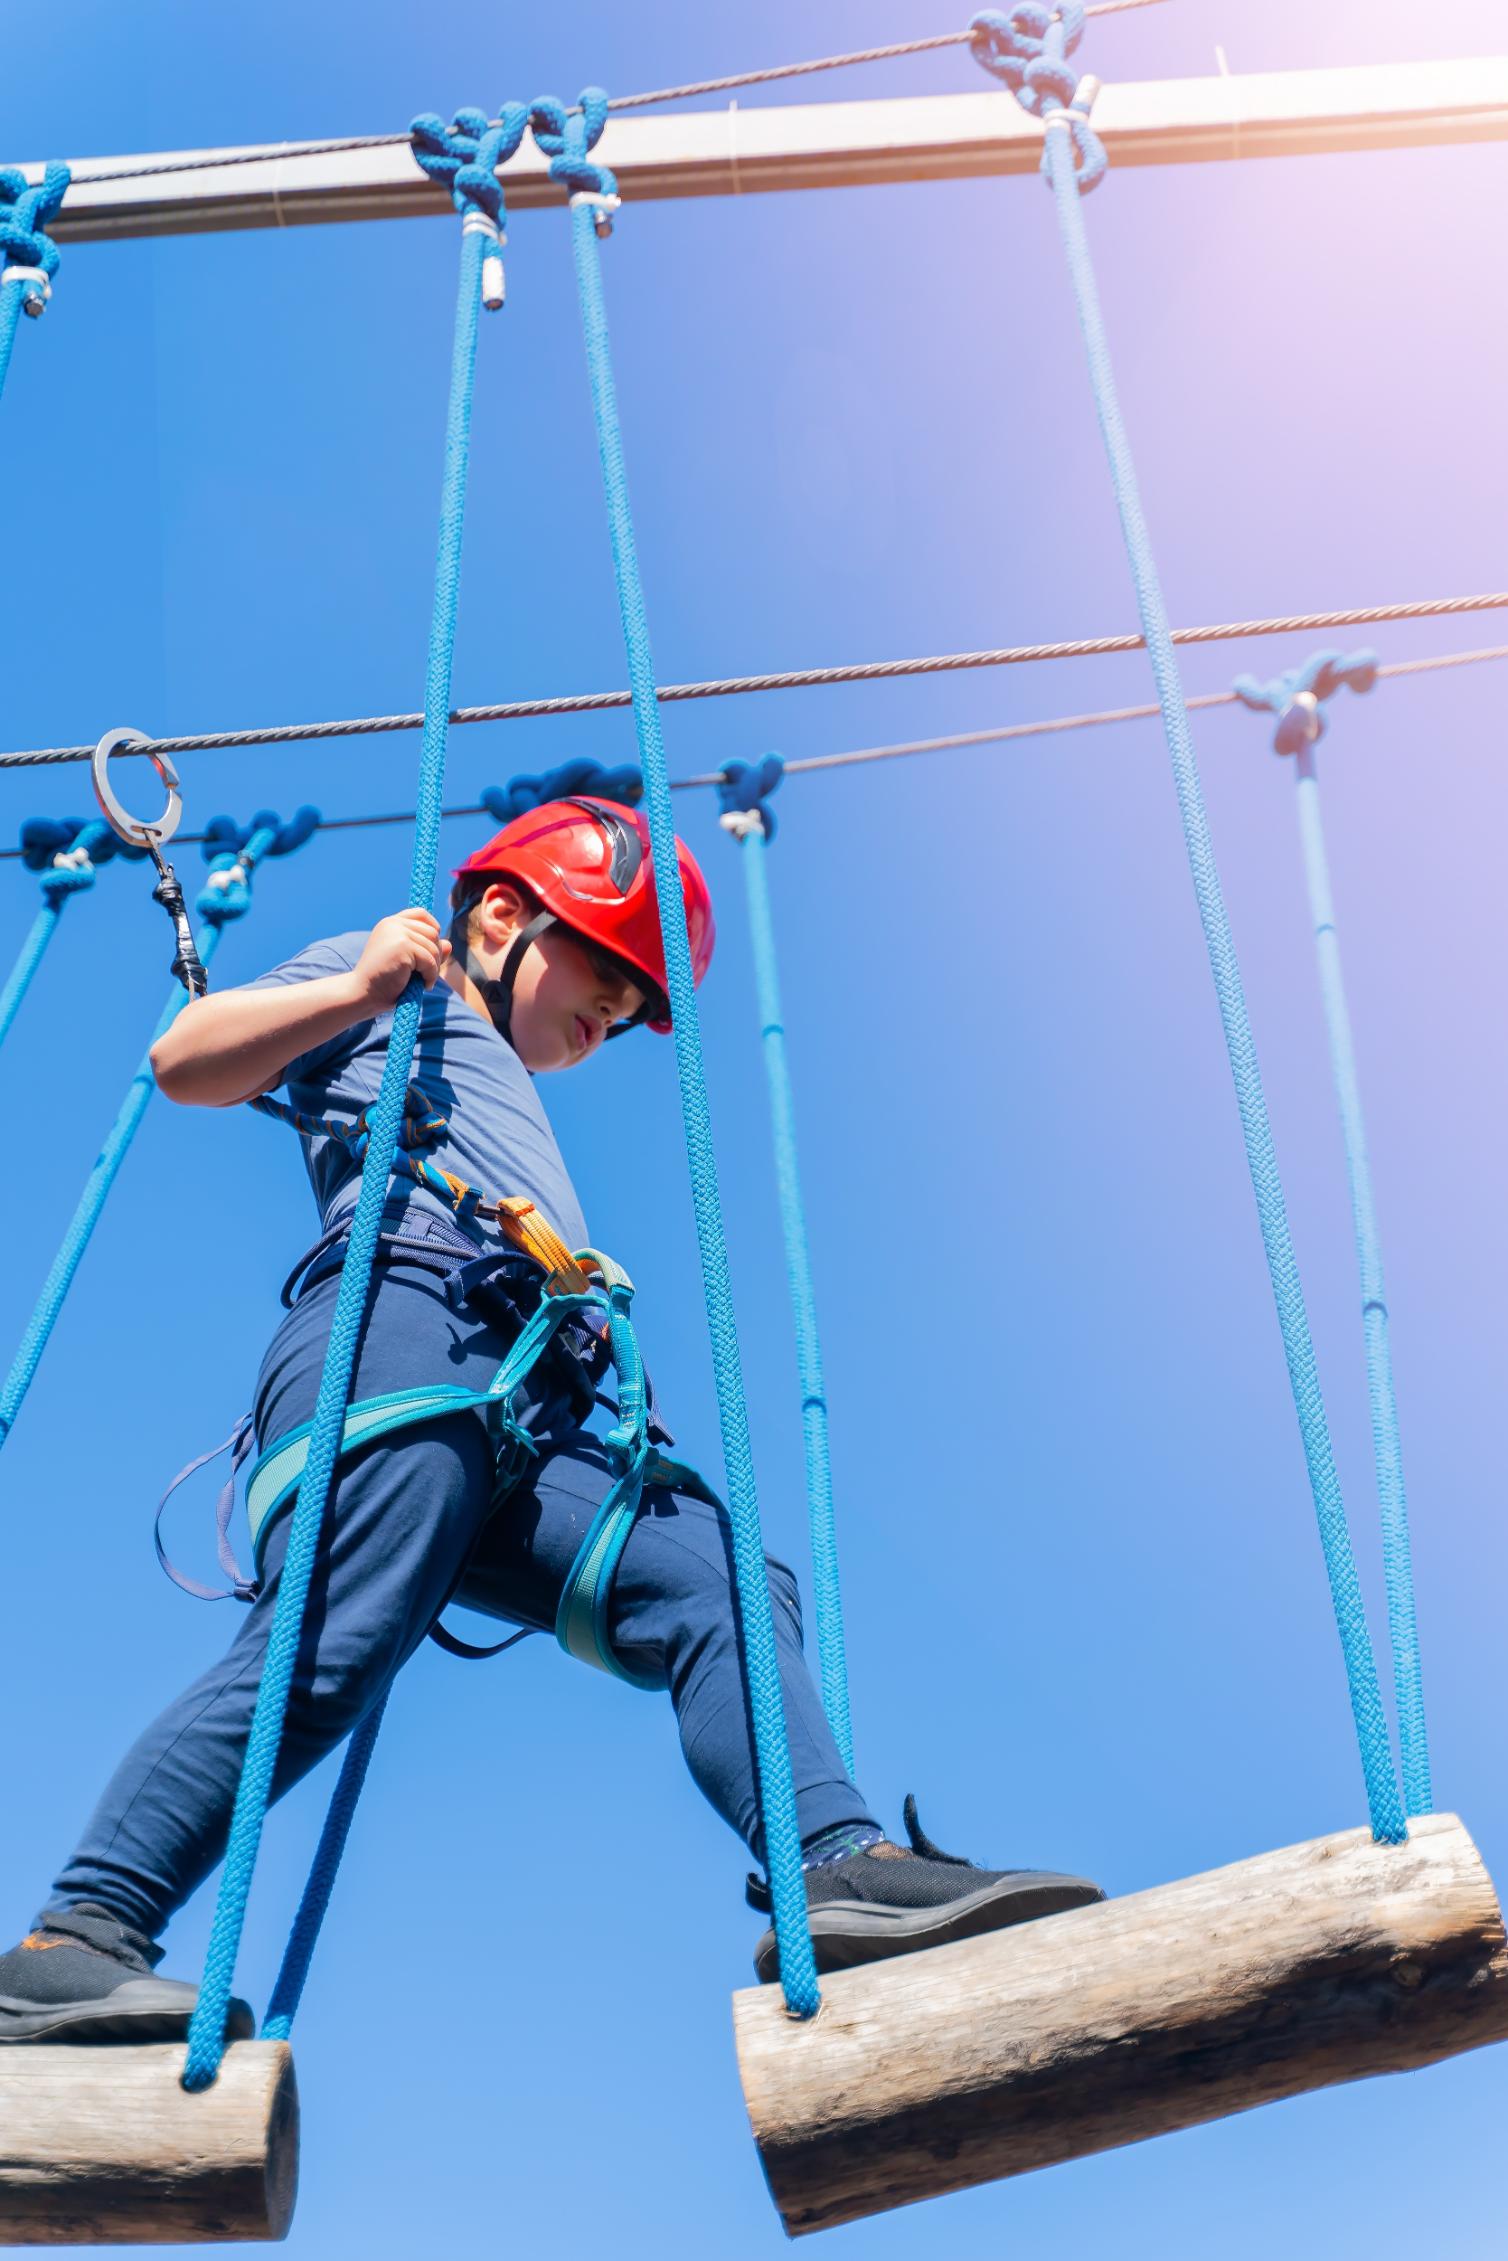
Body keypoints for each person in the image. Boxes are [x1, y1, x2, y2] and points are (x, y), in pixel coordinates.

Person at [0, 796, 1102, 2043]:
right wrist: (364, 980)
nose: (613, 1017)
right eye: (606, 973)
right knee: (333, 1641)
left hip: (524, 1398)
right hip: (405, 1327)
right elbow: (186, 1059)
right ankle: (74, 1936)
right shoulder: (400, 993)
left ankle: (835, 1861)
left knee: (719, 1576)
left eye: (634, 1009)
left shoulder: (491, 1068)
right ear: (502, 914)